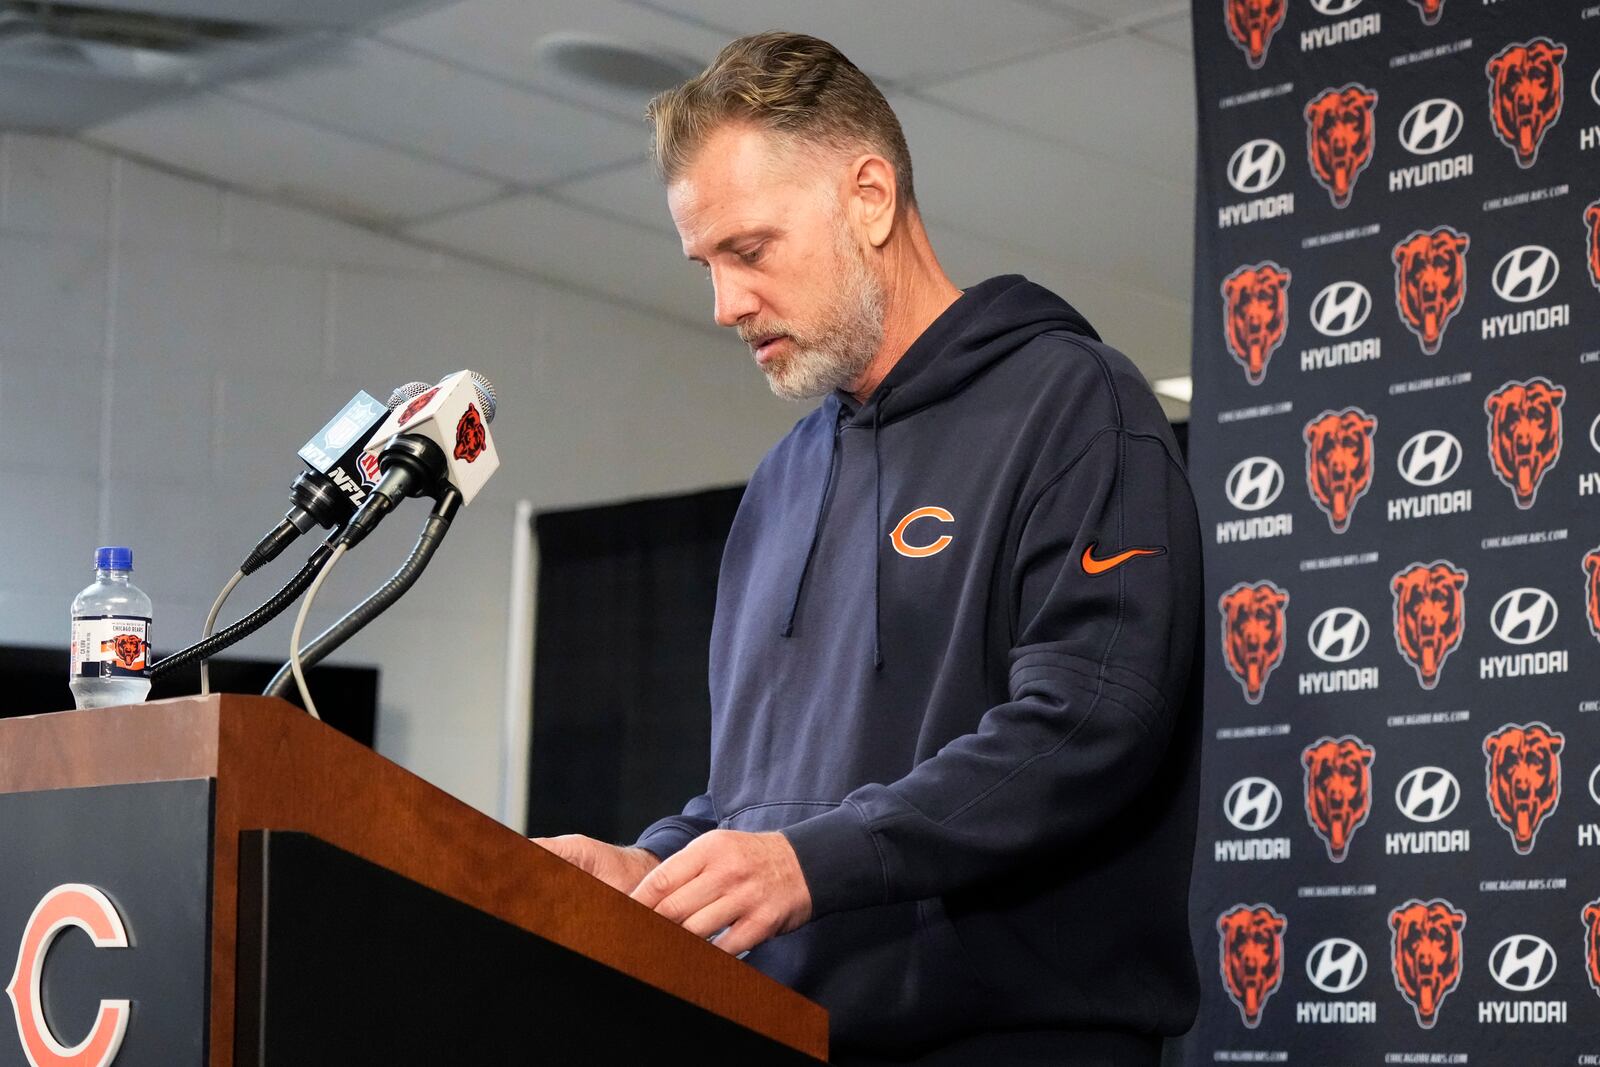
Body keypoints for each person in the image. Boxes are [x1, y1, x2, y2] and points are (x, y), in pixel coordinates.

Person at [536, 31, 1203, 1066]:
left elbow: (1087, 722)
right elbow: (755, 794)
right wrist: (653, 866)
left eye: (749, 250)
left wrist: (818, 860)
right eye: (705, 265)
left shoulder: (1076, 405)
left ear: (870, 197)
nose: (724, 305)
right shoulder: (782, 482)